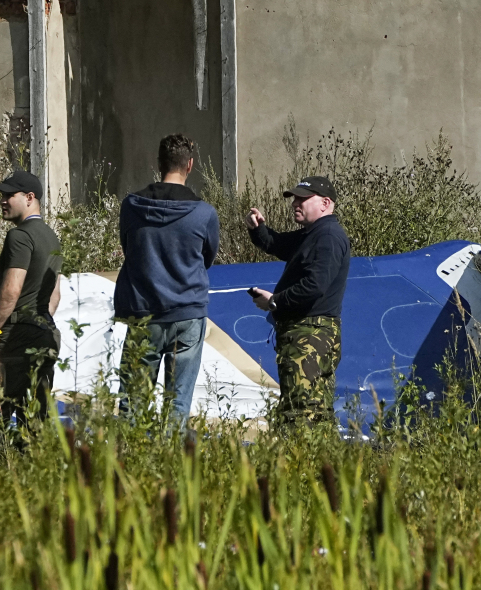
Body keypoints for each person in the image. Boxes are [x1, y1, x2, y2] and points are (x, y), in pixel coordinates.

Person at [113, 134, 220, 424]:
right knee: (177, 404)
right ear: (191, 165)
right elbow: (206, 259)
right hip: (186, 311)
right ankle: (172, 464)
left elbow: (128, 248)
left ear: (158, 164)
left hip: (142, 311)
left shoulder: (132, 206)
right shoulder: (204, 213)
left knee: (133, 403)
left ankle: (127, 463)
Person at [246, 176, 351, 430]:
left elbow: (315, 286)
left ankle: (303, 465)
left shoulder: (327, 236)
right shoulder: (313, 234)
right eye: (295, 198)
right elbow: (277, 244)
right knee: (313, 413)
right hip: (307, 335)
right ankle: (319, 464)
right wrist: (258, 228)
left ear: (326, 203)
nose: (295, 203)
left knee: (301, 415)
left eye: (303, 198)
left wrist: (275, 302)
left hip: (310, 337)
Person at [0, 169, 63, 427]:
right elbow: (54, 295)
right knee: (35, 420)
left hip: (15, 337)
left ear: (30, 197)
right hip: (45, 334)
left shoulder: (19, 236)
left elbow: (11, 290)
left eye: (9, 195)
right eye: (1, 195)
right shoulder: (51, 237)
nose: (3, 200)